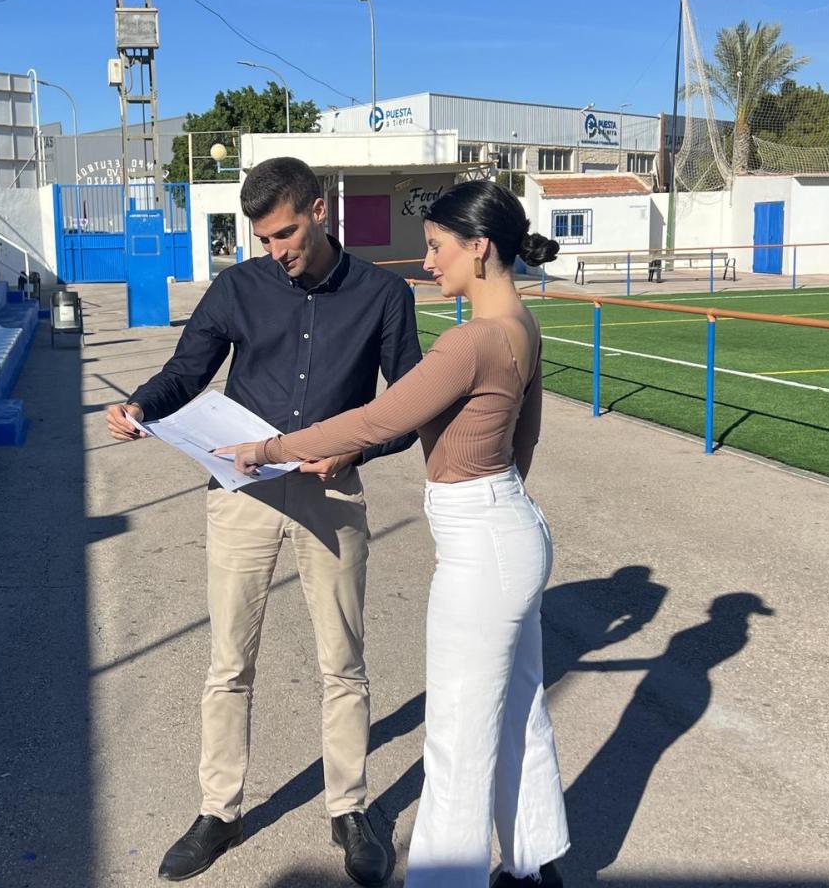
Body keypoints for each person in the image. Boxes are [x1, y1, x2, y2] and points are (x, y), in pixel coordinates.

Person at [218, 180, 570, 887]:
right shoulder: (523, 326)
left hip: (483, 543)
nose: (427, 264)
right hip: (510, 525)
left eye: (437, 249)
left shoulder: (473, 340)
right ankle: (533, 864)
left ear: (480, 248)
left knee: (459, 735)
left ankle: (450, 877)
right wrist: (498, 501)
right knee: (518, 710)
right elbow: (524, 441)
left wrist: (265, 449)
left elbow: (377, 420)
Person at [106, 156, 423, 886]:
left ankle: (349, 808)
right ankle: (221, 810)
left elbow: (407, 405)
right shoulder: (240, 286)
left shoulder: (383, 294)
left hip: (330, 492)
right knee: (228, 663)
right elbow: (188, 371)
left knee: (342, 662)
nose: (275, 251)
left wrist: (357, 449)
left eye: (285, 233)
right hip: (242, 491)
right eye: (264, 239)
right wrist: (140, 406)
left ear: (318, 210)